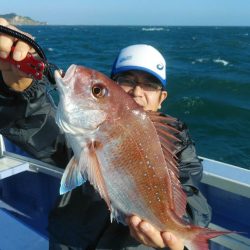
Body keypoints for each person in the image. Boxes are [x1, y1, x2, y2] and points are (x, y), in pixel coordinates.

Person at [0, 18, 211, 250]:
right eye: (126, 81)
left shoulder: (178, 144)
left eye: (150, 84)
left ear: (162, 98)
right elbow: (40, 130)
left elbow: (192, 197)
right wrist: (17, 90)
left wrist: (181, 228)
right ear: (115, 85)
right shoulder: (81, 133)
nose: (138, 92)